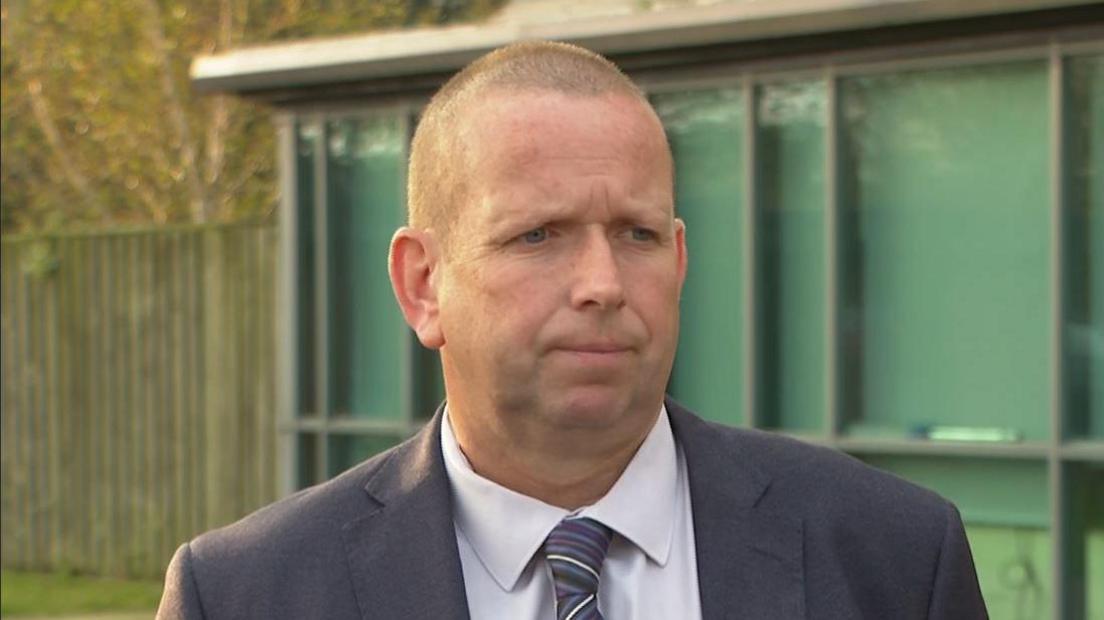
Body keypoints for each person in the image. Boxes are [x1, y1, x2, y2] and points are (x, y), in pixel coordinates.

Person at [157, 41, 987, 619]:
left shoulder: (894, 560)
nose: (603, 284)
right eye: (538, 235)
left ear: (681, 259)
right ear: (423, 284)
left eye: (637, 234)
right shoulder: (245, 596)